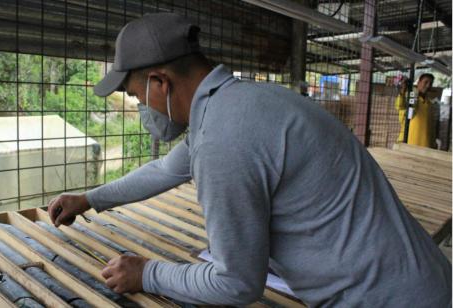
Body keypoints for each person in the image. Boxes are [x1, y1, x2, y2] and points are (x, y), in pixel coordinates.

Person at [48, 13, 451, 306]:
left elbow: (236, 283)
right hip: (422, 280)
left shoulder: (224, 138)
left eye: (137, 96)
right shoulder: (241, 104)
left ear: (160, 82)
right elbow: (164, 169)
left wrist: (146, 273)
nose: (141, 107)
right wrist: (90, 199)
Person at [395, 73, 436, 147]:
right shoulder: (412, 96)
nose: (428, 86)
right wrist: (402, 92)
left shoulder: (429, 103)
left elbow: (431, 126)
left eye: (430, 83)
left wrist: (433, 142)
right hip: (409, 142)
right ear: (419, 82)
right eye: (426, 82)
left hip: (425, 145)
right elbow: (400, 106)